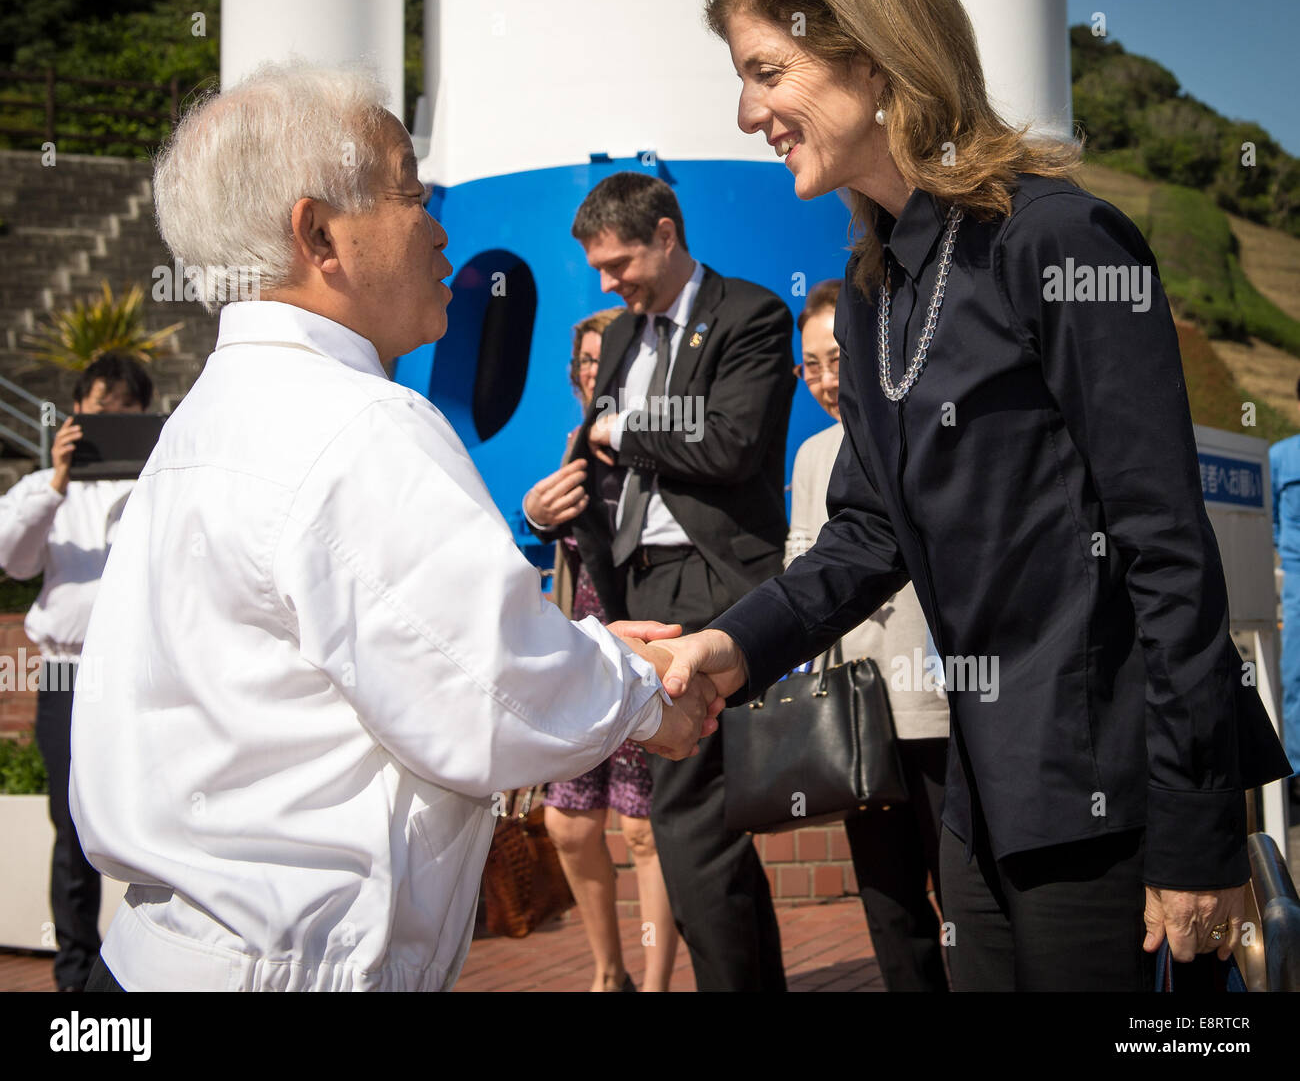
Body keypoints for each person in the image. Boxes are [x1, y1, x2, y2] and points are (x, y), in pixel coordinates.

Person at [654, 0, 1292, 992]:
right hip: (982, 786)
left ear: (871, 51)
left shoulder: (1058, 241)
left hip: (1110, 786)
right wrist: (728, 648)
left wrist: (1195, 829)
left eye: (768, 70)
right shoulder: (872, 291)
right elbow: (865, 530)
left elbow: (1166, 550)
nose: (747, 110)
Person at [67, 62, 720, 993]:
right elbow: (491, 694)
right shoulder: (355, 424)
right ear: (319, 233)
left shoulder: (200, 425)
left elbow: (423, 656)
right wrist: (645, 690)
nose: (440, 225)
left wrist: (583, 656)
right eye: (411, 190)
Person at [531, 170, 794, 991]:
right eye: (599, 271)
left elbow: (731, 444)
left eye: (619, 265)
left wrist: (621, 427)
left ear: (668, 235)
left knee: (683, 818)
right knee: (708, 821)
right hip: (631, 589)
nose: (608, 286)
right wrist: (545, 510)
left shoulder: (752, 315)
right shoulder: (618, 337)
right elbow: (596, 458)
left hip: (712, 584)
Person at [789, 278, 949, 992]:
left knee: (964, 896)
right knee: (888, 902)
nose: (825, 380)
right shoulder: (812, 456)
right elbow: (801, 569)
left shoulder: (924, 426)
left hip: (938, 707)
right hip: (857, 720)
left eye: (836, 357)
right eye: (810, 366)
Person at [523, 307, 681, 992]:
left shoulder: (662, 444)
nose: (594, 373)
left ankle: (654, 984)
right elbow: (531, 555)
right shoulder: (572, 447)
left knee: (644, 832)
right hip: (580, 654)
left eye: (604, 360)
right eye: (584, 363)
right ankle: (606, 971)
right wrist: (532, 517)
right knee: (568, 823)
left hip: (643, 652)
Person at [0, 353, 151, 992]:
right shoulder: (43, 489)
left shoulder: (158, 484)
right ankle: (75, 976)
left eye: (125, 414)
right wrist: (57, 480)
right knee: (71, 823)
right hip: (68, 674)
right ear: (75, 412)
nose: (109, 422)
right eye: (98, 410)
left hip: (143, 675)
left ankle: (147, 967)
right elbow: (13, 560)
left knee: (155, 811)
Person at [1270, 379, 1300, 802]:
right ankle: (1297, 771)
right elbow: (1270, 520)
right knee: (1295, 677)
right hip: (1298, 579)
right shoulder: (1279, 457)